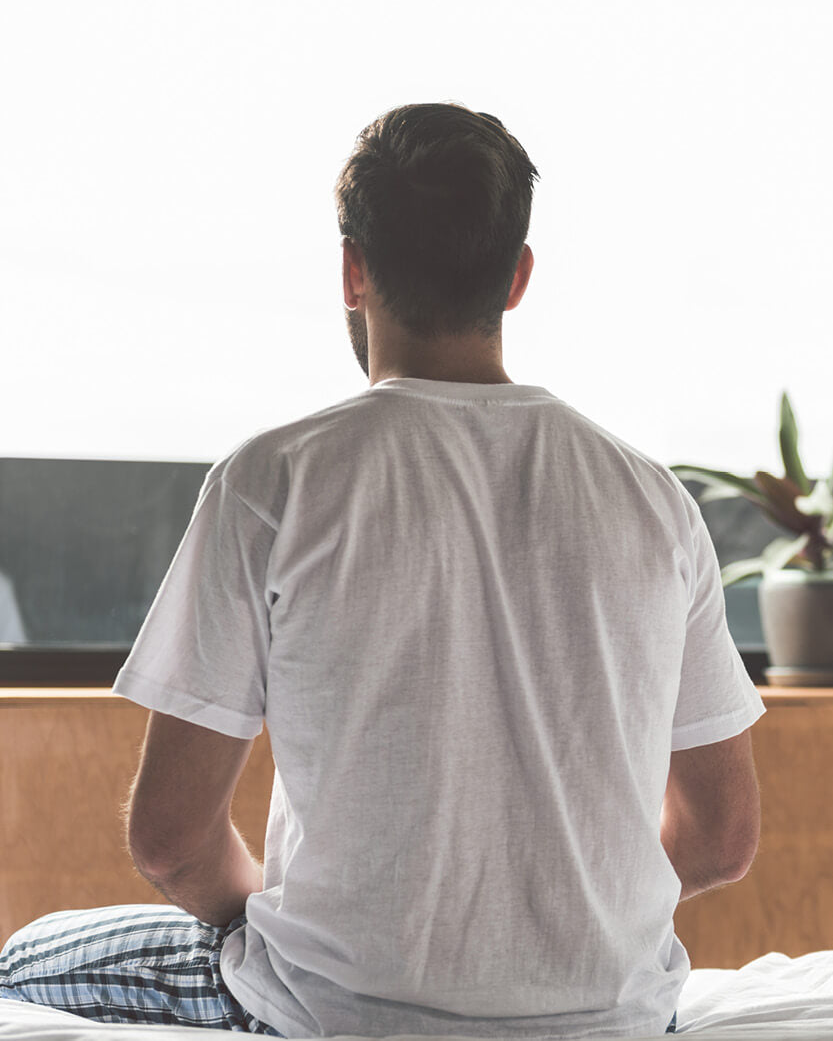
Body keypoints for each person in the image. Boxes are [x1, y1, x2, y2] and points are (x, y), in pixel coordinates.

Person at [0, 101, 764, 1038]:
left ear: (353, 270)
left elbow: (168, 841)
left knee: (19, 959)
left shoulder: (272, 480)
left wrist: (283, 924)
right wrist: (562, 926)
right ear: (516, 277)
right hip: (616, 1014)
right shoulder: (654, 501)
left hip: (331, 1007)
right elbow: (721, 844)